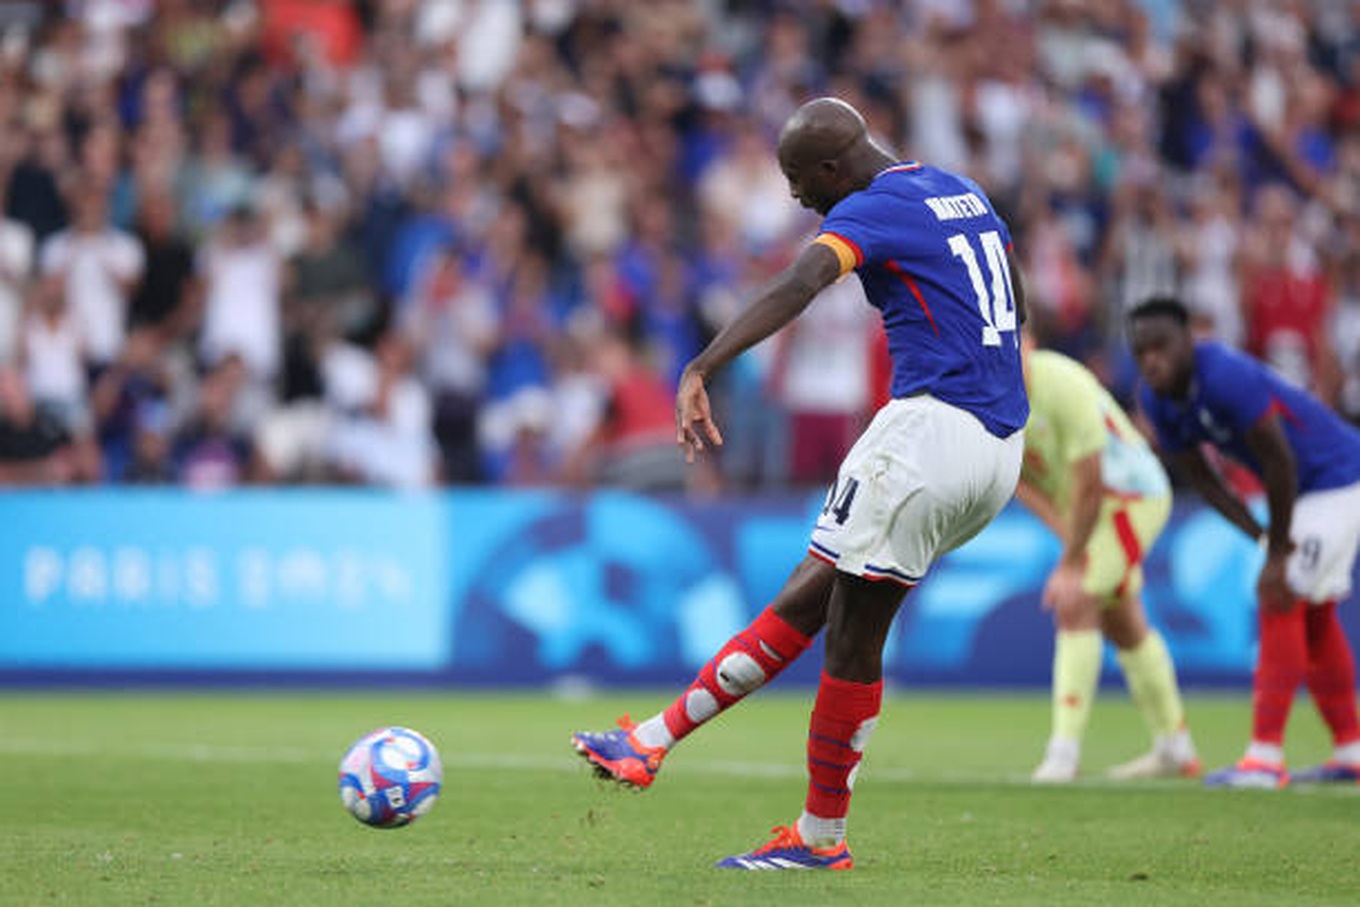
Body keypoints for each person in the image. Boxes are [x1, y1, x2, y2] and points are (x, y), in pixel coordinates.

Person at [571, 97, 1028, 870]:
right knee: (814, 595)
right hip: (1000, 442)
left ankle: (821, 838)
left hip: (930, 431)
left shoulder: (877, 207)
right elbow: (1010, 289)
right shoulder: (962, 191)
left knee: (851, 631)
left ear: (830, 167)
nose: (794, 197)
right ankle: (650, 740)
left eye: (796, 179)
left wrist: (702, 364)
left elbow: (801, 281)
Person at [1128, 296, 1360, 788]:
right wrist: (1259, 537)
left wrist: (1276, 554)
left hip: (1336, 478)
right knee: (1313, 617)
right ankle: (1350, 750)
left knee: (1278, 593)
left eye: (1161, 347)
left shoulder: (1227, 375)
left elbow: (1279, 461)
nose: (1152, 359)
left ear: (1189, 340)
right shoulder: (1156, 398)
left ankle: (1265, 756)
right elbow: (1205, 481)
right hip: (1310, 491)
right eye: (1141, 351)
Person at [1016, 339, 1199, 783]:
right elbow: (1017, 481)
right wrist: (1070, 544)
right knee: (1124, 624)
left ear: (1029, 343)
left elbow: (1092, 484)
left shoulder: (1062, 383)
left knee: (1075, 600)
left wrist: (1071, 562)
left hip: (1131, 499)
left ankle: (1064, 753)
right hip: (1086, 515)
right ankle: (1175, 746)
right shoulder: (990, 399)